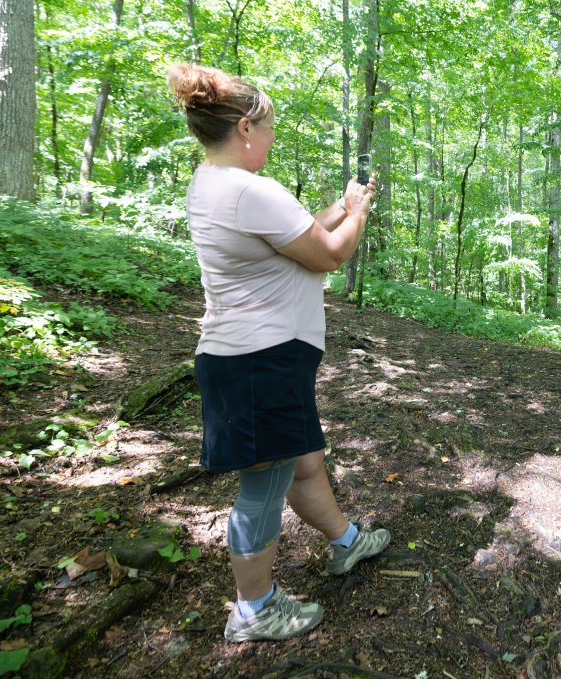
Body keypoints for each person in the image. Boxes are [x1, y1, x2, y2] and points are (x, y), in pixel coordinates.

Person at [167, 63, 391, 643]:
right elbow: (328, 256)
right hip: (256, 359)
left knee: (304, 459)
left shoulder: (215, 181)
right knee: (264, 485)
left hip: (257, 357)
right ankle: (253, 609)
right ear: (245, 127)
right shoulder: (248, 188)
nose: (271, 138)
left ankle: (346, 542)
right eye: (268, 128)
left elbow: (301, 235)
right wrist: (360, 212)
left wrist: (341, 206)